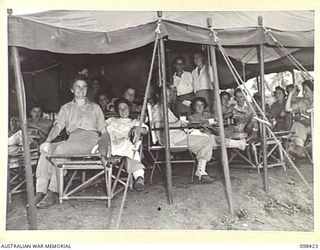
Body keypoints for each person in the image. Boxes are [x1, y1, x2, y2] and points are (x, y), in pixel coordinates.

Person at [34, 74, 106, 208]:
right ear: (71, 89)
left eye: (84, 87)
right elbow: (57, 126)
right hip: (72, 140)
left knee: (61, 149)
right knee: (46, 150)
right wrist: (47, 141)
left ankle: (53, 191)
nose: (81, 89)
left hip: (89, 142)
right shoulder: (66, 108)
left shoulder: (95, 107)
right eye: (77, 86)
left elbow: (104, 131)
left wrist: (106, 147)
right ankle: (40, 191)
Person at [152, 87, 246, 183]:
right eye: (166, 95)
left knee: (209, 139)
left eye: (170, 95)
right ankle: (201, 171)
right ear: (158, 96)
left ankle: (201, 171)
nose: (169, 97)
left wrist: (181, 124)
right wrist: (178, 123)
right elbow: (159, 125)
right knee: (209, 139)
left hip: (179, 136)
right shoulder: (157, 109)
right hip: (172, 140)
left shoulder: (165, 109)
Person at [98, 98, 148, 191]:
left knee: (129, 146)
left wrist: (137, 128)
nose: (123, 110)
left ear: (129, 108)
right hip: (109, 145)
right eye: (120, 108)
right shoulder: (111, 120)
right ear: (117, 111)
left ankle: (139, 178)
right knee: (103, 141)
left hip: (125, 146)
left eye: (125, 107)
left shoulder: (134, 122)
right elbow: (100, 128)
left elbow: (145, 130)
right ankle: (139, 176)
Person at [285, 80, 313, 157]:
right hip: (309, 127)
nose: (304, 93)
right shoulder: (303, 102)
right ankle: (300, 148)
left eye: (306, 91)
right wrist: (290, 94)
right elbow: (287, 109)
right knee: (297, 125)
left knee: (296, 130)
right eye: (303, 90)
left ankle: (300, 148)